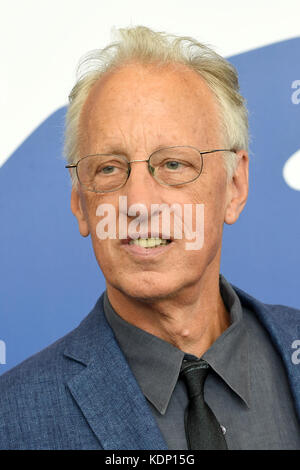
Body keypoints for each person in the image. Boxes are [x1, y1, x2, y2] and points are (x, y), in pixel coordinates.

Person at [0, 25, 299, 450]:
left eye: (174, 164)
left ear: (235, 186)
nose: (138, 202)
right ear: (80, 203)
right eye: (108, 168)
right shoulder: (12, 421)